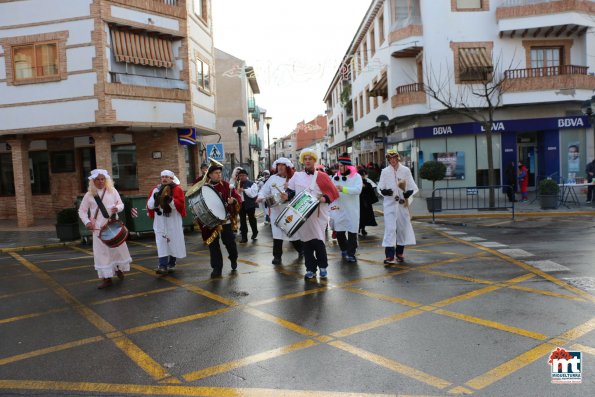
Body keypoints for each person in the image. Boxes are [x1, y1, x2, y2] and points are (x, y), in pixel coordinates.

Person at [282, 148, 339, 279]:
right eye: (305, 159)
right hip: (301, 214)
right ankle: (310, 269)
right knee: (306, 244)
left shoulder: (322, 176)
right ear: (302, 161)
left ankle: (323, 266)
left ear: (314, 160)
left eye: (310, 159)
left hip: (318, 215)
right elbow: (291, 192)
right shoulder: (297, 176)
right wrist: (286, 195)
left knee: (318, 241)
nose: (307, 161)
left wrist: (324, 199)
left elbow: (333, 193)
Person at [78, 169, 132, 289]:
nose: (101, 181)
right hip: (98, 230)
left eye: (103, 179)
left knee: (117, 251)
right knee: (102, 254)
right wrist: (87, 222)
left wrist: (117, 208)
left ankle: (118, 269)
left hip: (113, 227)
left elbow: (121, 204)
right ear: (93, 181)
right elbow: (81, 211)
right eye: (98, 179)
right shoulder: (89, 195)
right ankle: (107, 279)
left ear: (106, 180)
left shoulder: (112, 191)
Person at [198, 162, 242, 278]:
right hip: (211, 221)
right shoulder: (204, 187)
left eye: (219, 173)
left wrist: (234, 201)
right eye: (216, 173)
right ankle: (217, 268)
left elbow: (238, 198)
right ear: (210, 175)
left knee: (229, 243)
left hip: (225, 220)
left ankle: (233, 258)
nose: (219, 175)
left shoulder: (227, 186)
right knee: (213, 246)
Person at [256, 157, 303, 265]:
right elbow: (264, 190)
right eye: (279, 165)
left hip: (289, 211)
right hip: (276, 211)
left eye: (282, 165)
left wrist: (289, 194)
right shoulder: (272, 178)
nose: (280, 167)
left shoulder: (293, 178)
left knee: (292, 234)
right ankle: (277, 257)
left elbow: (300, 193)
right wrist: (260, 196)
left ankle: (301, 250)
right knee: (277, 235)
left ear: (287, 167)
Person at [377, 150, 418, 265]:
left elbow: (414, 187)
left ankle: (399, 253)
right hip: (389, 205)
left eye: (394, 158)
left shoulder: (405, 170)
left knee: (402, 228)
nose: (392, 160)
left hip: (401, 205)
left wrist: (409, 193)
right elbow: (379, 188)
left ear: (397, 158)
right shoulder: (385, 172)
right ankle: (389, 256)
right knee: (390, 229)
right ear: (388, 160)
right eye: (390, 159)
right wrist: (383, 191)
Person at [146, 170, 187, 275]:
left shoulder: (177, 189)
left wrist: (170, 201)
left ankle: (172, 263)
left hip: (172, 221)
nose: (164, 179)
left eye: (166, 177)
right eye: (162, 177)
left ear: (171, 178)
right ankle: (162, 265)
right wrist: (155, 199)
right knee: (161, 243)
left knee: (173, 242)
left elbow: (180, 205)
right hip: (160, 221)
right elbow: (150, 206)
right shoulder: (155, 189)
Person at [330, 153, 362, 263]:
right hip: (339, 209)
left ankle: (351, 253)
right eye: (339, 166)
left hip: (352, 209)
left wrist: (343, 189)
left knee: (352, 232)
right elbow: (331, 191)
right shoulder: (336, 177)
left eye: (342, 165)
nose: (340, 168)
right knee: (339, 232)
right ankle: (344, 249)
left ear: (347, 166)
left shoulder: (356, 177)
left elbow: (358, 190)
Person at [235, 168, 259, 242]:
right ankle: (244, 237)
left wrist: (244, 190)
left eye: (243, 175)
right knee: (242, 221)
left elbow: (253, 194)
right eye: (240, 175)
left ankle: (255, 232)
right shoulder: (237, 184)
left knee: (252, 219)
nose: (241, 177)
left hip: (250, 204)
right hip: (241, 204)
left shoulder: (252, 183)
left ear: (246, 176)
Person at [358, 168, 378, 236]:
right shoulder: (356, 182)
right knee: (359, 216)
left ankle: (363, 228)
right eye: (362, 175)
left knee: (365, 216)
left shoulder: (367, 183)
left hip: (365, 203)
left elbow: (370, 191)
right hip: (358, 202)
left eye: (364, 175)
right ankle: (358, 228)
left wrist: (365, 187)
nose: (363, 176)